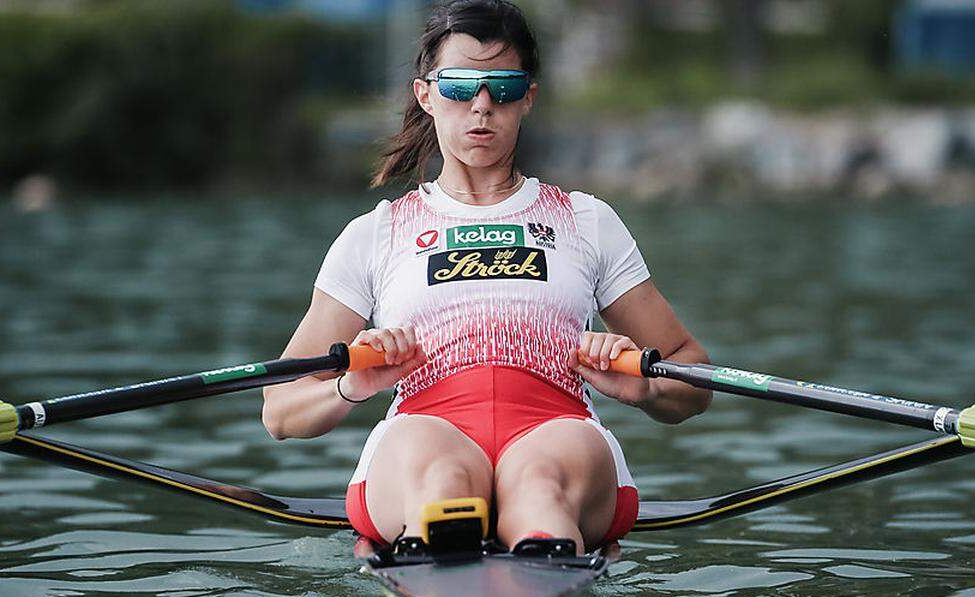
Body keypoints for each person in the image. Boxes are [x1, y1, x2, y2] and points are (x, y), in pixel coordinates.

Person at [262, 0, 710, 554]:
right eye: (458, 87)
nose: (481, 106)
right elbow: (280, 409)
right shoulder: (374, 235)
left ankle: (529, 551)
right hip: (427, 425)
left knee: (541, 484)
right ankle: (474, 556)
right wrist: (351, 385)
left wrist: (646, 389)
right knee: (442, 481)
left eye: (502, 86)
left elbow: (692, 377)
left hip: (557, 425)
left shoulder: (586, 221)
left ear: (528, 98)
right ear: (426, 96)